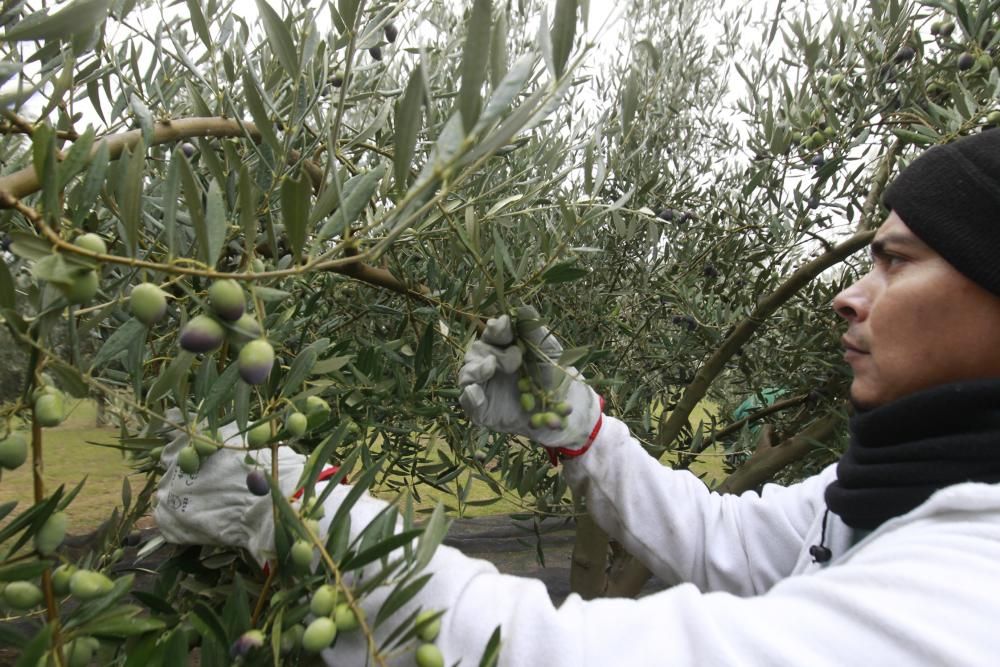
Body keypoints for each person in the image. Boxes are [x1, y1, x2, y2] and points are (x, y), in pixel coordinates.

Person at [156, 130, 1000, 665]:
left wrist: (304, 515)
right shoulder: (890, 487)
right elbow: (730, 537)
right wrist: (575, 423)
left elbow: (564, 653)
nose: (848, 295)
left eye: (895, 260)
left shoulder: (969, 592)